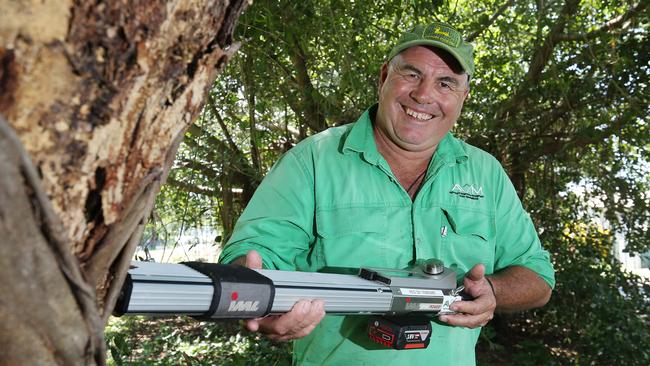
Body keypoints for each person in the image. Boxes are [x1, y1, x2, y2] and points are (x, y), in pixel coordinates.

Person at [219, 22, 555, 365]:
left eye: (445, 83)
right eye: (411, 74)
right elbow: (254, 256)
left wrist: (494, 292)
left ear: (462, 97)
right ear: (384, 77)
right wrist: (258, 296)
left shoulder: (485, 173)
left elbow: (538, 277)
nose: (424, 95)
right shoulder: (313, 161)